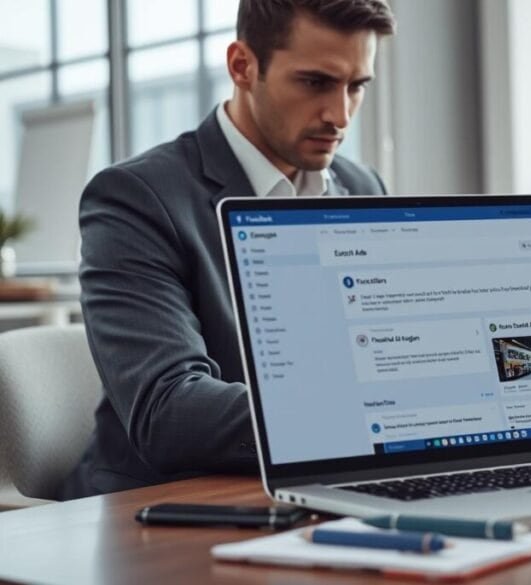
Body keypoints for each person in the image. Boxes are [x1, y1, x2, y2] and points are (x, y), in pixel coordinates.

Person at [59, 0, 397, 499]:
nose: (339, 114)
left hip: (328, 487)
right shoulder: (135, 198)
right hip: (166, 507)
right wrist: (373, 414)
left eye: (357, 86)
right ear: (243, 66)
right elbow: (168, 410)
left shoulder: (362, 187)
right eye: (315, 83)